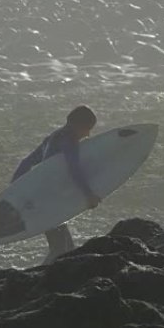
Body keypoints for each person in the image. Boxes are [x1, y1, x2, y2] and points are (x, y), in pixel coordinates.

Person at [10, 105, 101, 264]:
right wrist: (89, 194)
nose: (88, 134)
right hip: (50, 202)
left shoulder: (53, 138)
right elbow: (74, 169)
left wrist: (14, 190)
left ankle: (56, 279)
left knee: (68, 248)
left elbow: (27, 163)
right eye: (87, 129)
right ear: (77, 125)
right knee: (59, 248)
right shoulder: (69, 139)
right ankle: (39, 278)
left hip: (42, 199)